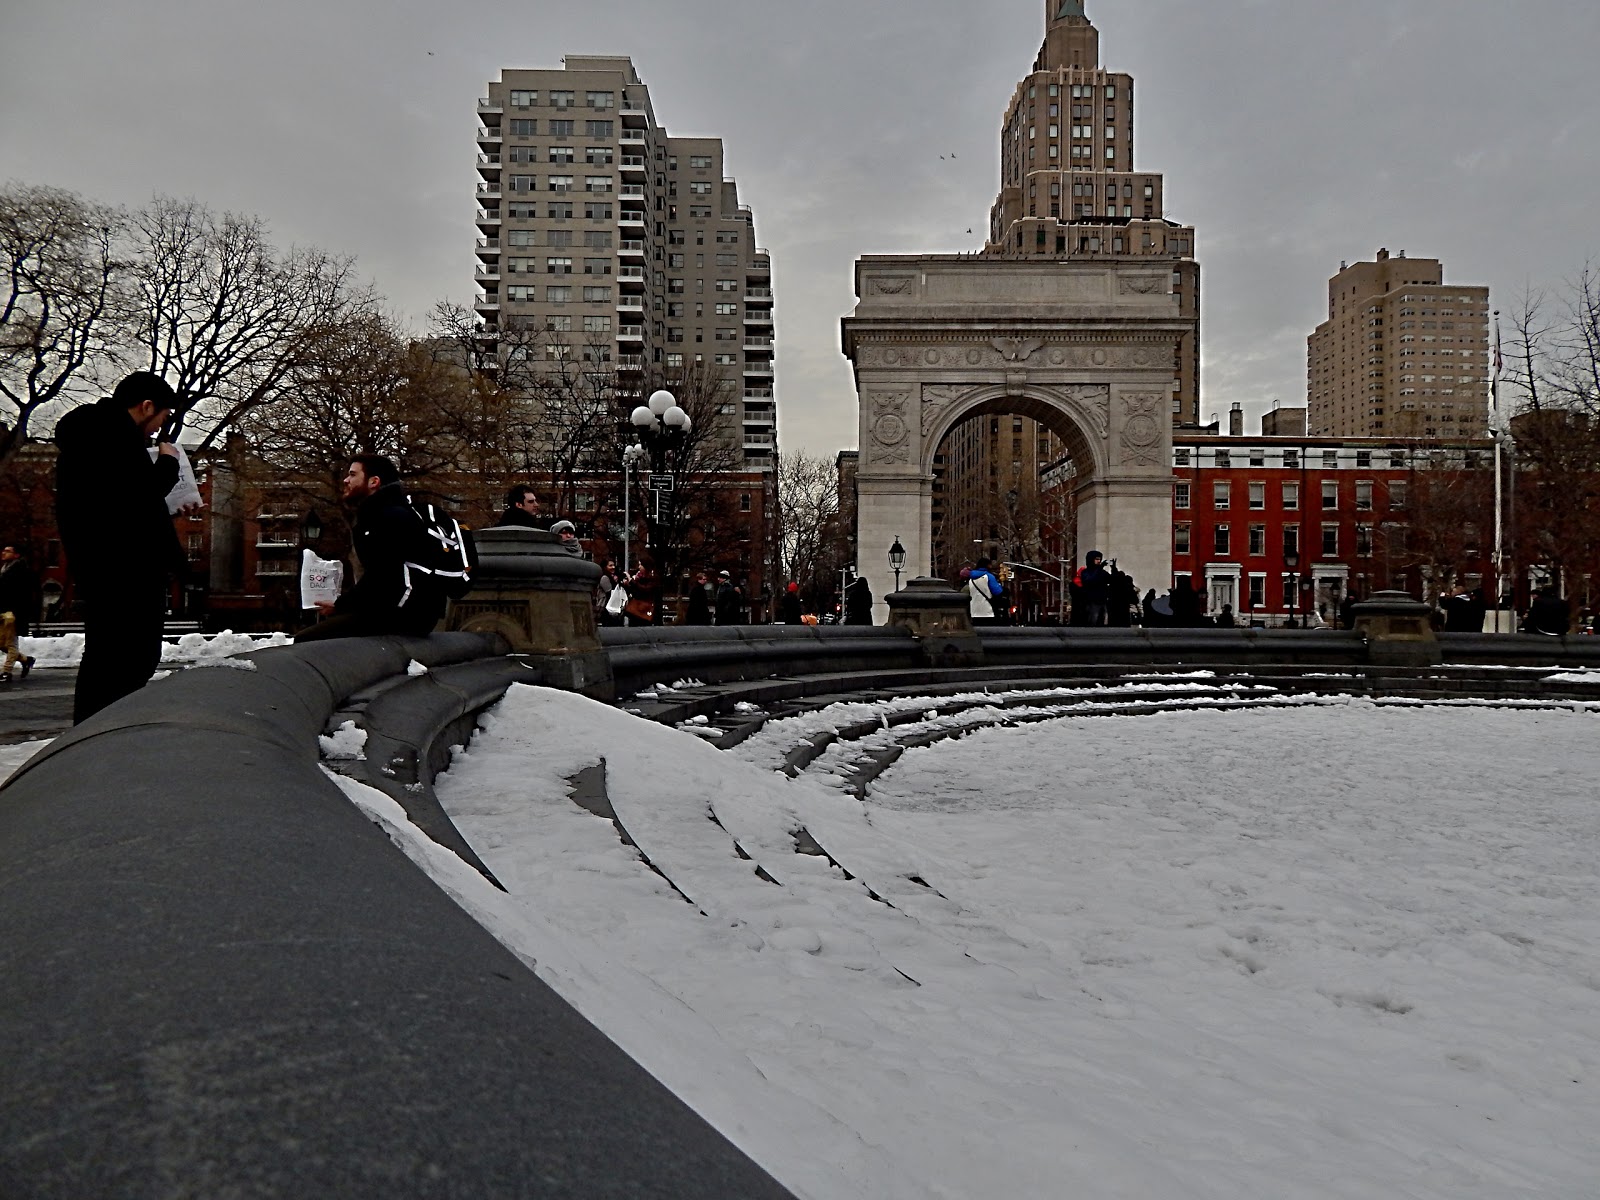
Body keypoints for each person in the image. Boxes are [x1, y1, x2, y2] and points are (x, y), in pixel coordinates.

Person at [54, 372, 189, 723]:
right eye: (163, 417)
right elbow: (138, 496)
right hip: (125, 569)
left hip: (104, 564)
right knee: (127, 658)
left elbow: (120, 500)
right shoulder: (111, 436)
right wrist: (170, 462)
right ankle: (103, 735)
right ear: (147, 406)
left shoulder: (92, 434)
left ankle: (97, 733)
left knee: (109, 656)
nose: (160, 428)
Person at [295, 455, 443, 642]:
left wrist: (341, 605)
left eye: (352, 475)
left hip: (403, 612)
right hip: (411, 611)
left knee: (307, 640)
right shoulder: (389, 512)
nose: (346, 480)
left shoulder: (388, 517)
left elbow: (382, 575)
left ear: (374, 482)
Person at [0, 545, 39, 682]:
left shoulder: (20, 571)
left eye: (8, 551)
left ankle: (7, 672)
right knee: (2, 643)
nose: (3, 553)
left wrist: (16, 612)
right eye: (3, 550)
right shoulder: (5, 569)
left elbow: (22, 594)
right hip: (3, 611)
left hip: (13, 613)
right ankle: (26, 660)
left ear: (16, 555)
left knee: (10, 643)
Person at [1074, 551, 1111, 627]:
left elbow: (1111, 580)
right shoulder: (1085, 572)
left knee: (1102, 621)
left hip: (1102, 600)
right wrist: (1100, 568)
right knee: (1093, 621)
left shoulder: (1102, 572)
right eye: (1097, 559)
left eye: (1100, 559)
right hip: (1092, 601)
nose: (1099, 561)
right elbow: (1090, 580)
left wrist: (1114, 569)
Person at [967, 557, 1005, 625]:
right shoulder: (988, 576)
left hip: (974, 611)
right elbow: (997, 591)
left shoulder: (971, 579)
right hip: (988, 612)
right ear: (987, 565)